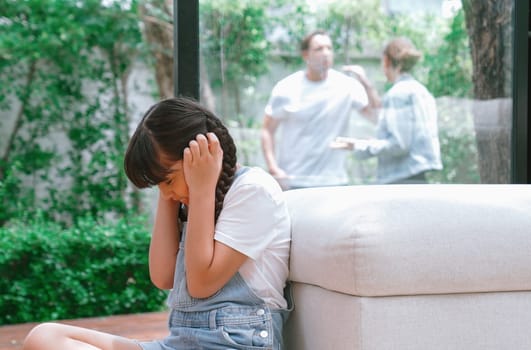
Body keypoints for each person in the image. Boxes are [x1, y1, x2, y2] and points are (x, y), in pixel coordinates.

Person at [23, 97, 292, 350]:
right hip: (180, 343)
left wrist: (201, 191)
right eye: (158, 184)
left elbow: (201, 284)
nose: (167, 192)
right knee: (45, 337)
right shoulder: (191, 200)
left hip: (234, 343)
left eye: (168, 180)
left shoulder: (253, 190)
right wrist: (170, 196)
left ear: (198, 159)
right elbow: (162, 276)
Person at [261, 29, 381, 190]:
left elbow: (376, 117)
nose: (325, 53)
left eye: (329, 48)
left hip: (334, 181)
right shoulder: (287, 88)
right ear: (306, 55)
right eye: (319, 49)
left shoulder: (346, 86)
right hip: (295, 180)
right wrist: (273, 169)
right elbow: (267, 130)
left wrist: (367, 83)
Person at [334, 37, 442, 184]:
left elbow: (399, 144)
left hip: (400, 181)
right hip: (418, 177)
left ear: (386, 61)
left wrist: (357, 146)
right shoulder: (421, 91)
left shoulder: (398, 94)